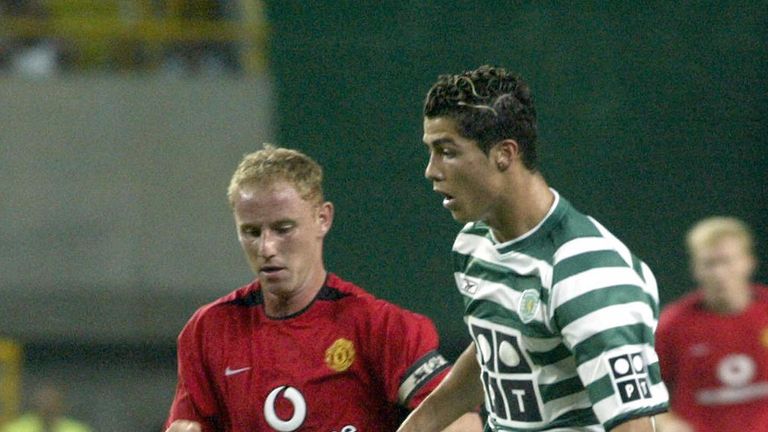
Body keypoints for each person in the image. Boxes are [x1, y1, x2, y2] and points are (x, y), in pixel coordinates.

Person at [398, 65, 670, 432]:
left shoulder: (591, 276)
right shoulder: (474, 243)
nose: (431, 170)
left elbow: (634, 427)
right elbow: (499, 351)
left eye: (447, 151)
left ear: (504, 154)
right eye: (430, 151)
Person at [164, 146, 481, 431]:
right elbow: (186, 426)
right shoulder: (209, 332)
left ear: (322, 219)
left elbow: (462, 424)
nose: (266, 247)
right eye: (251, 232)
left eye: (283, 228)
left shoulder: (380, 329)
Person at [655, 217, 768, 432]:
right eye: (709, 264)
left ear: (749, 262)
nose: (719, 273)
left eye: (727, 261)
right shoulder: (673, 324)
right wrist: (668, 423)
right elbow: (647, 389)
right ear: (695, 269)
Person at [0, 384, 92, 432]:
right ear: (35, 405)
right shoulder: (15, 430)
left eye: (52, 404)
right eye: (43, 404)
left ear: (61, 406)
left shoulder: (76, 430)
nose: (48, 408)